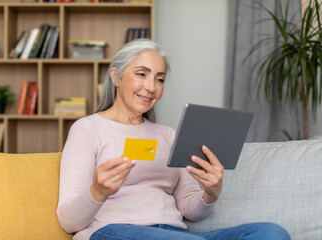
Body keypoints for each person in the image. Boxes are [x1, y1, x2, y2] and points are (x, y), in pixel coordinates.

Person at [57, 39, 291, 240]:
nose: (150, 87)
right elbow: (68, 221)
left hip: (173, 233)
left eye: (160, 79)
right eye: (141, 74)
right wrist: (98, 191)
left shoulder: (167, 135)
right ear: (116, 77)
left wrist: (211, 192)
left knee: (271, 233)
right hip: (112, 231)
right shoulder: (87, 129)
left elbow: (189, 208)